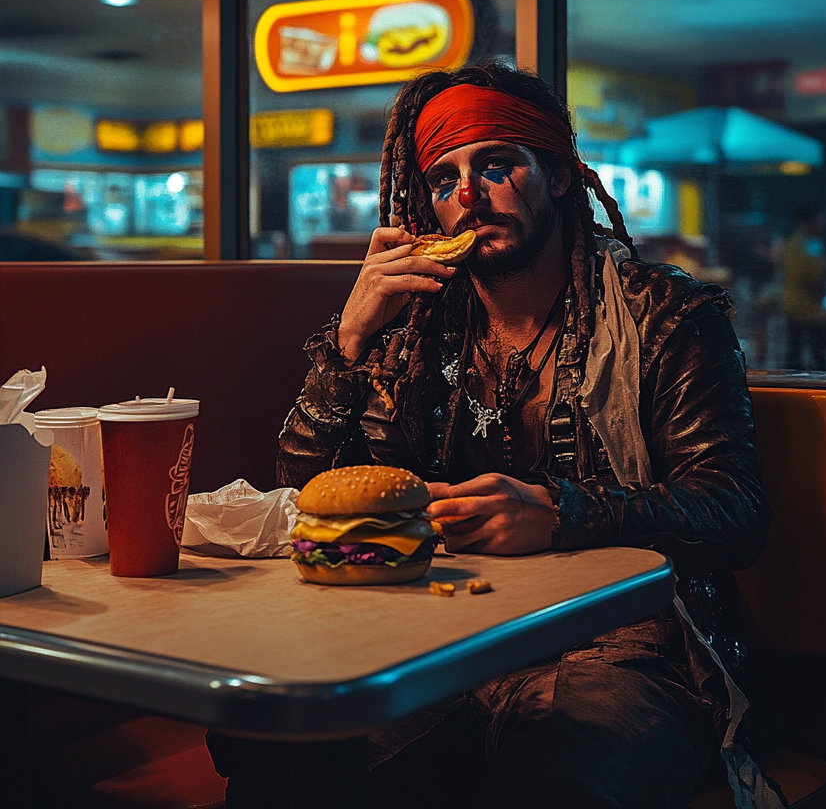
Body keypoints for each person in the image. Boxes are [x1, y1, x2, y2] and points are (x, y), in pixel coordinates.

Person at [256, 63, 774, 808]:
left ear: (558, 175)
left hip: (627, 650)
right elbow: (304, 494)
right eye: (444, 180)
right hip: (447, 635)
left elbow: (734, 510)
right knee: (289, 759)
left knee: (549, 781)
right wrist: (347, 343)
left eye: (496, 165)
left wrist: (562, 511)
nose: (467, 196)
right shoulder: (417, 330)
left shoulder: (670, 319)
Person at [782, 201, 826, 371]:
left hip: (796, 304)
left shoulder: (797, 240)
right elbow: (812, 275)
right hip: (805, 307)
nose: (824, 223)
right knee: (816, 352)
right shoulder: (806, 243)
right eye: (822, 219)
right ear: (812, 221)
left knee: (796, 349)